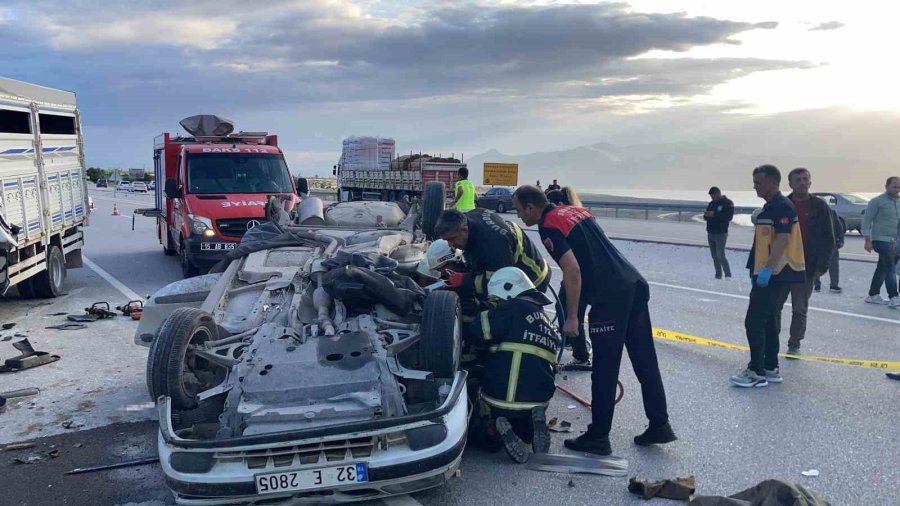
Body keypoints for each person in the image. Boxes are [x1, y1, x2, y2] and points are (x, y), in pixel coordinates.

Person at [512, 185, 675, 456]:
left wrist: (573, 317)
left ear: (531, 207)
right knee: (645, 361)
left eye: (518, 210)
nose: (518, 216)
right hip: (633, 284)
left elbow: (572, 270)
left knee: (604, 369)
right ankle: (660, 423)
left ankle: (599, 436)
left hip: (610, 296)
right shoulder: (573, 211)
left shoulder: (549, 225)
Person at [466, 267, 559, 463]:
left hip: (501, 398)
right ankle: (532, 425)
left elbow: (476, 330)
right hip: (538, 400)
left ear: (507, 290)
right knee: (522, 432)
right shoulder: (547, 322)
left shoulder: (513, 307)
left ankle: (492, 427)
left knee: (480, 435)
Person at [732, 165, 805, 388]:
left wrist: (767, 270)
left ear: (773, 182)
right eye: (754, 182)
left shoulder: (781, 206)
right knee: (770, 321)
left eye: (759, 182)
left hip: (774, 274)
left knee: (754, 321)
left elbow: (783, 239)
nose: (755, 186)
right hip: (772, 274)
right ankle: (771, 366)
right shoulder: (773, 206)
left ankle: (756, 371)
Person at [774, 168, 834, 357]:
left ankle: (794, 343)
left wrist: (821, 267)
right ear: (790, 184)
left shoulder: (820, 206)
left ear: (810, 182)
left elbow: (828, 238)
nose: (801, 182)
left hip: (806, 266)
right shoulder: (782, 204)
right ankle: (771, 340)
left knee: (800, 309)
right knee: (774, 306)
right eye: (797, 179)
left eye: (805, 179)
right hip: (781, 266)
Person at [434, 208, 551, 298]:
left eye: (452, 239)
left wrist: (464, 280)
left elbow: (497, 283)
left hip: (532, 279)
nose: (450, 245)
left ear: (464, 230)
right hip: (507, 262)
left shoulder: (494, 244)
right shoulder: (470, 219)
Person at [546, 187, 590, 371]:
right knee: (561, 307)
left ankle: (581, 356)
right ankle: (573, 341)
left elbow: (574, 265)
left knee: (573, 315)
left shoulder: (561, 221)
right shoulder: (575, 217)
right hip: (575, 277)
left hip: (580, 278)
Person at [862, 176, 900, 308]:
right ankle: (894, 297)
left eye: (899, 187)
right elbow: (866, 221)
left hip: (895, 241)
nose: (897, 189)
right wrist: (867, 241)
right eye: (894, 186)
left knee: (882, 268)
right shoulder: (877, 201)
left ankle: (873, 294)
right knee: (890, 266)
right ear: (887, 186)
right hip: (880, 240)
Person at [703, 187, 734, 279]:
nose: (712, 198)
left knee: (721, 255)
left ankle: (728, 275)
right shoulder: (712, 204)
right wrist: (707, 215)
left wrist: (714, 215)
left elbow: (728, 217)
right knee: (714, 256)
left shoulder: (727, 203)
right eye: (711, 196)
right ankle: (718, 274)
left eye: (713, 196)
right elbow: (706, 217)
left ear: (718, 193)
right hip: (710, 232)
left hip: (721, 233)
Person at [814, 207, 845, 293]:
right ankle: (818, 283)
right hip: (820, 243)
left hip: (830, 243)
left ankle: (831, 284)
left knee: (833, 264)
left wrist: (841, 240)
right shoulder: (815, 213)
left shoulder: (831, 213)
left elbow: (839, 227)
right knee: (820, 263)